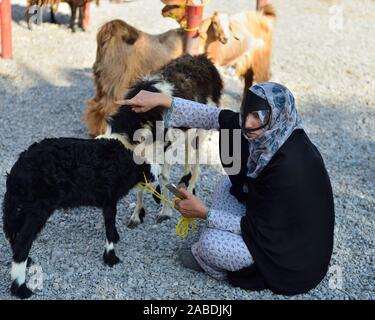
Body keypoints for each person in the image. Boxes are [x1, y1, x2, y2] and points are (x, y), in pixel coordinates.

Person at [115, 82, 335, 295]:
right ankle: (216, 234)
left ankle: (210, 262)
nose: (247, 123)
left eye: (257, 117)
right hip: (269, 218)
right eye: (246, 112)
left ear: (278, 117)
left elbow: (260, 229)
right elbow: (215, 117)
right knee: (226, 183)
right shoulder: (275, 134)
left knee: (210, 245)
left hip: (290, 256)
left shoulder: (288, 168)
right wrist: (161, 100)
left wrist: (204, 213)